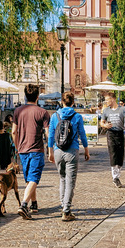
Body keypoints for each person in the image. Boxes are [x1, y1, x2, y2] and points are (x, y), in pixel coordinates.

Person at [48, 92, 90, 221]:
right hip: (72, 150)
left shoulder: (55, 116)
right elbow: (82, 135)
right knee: (70, 181)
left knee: (62, 179)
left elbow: (50, 135)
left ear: (62, 102)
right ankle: (66, 210)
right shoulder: (77, 116)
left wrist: (50, 152)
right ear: (73, 102)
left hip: (58, 150)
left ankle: (63, 205)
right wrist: (86, 150)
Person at [13, 83, 51, 219]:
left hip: (22, 149)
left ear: (25, 95)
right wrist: (50, 149)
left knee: (29, 178)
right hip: (36, 149)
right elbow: (47, 133)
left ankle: (34, 204)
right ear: (38, 96)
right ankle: (24, 205)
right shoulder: (42, 112)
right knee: (34, 178)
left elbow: (13, 131)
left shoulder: (18, 111)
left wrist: (17, 146)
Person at [100, 92, 125, 188]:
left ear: (113, 99)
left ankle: (117, 174)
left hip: (120, 133)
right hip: (111, 134)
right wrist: (105, 125)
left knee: (120, 155)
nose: (106, 102)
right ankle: (115, 177)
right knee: (113, 154)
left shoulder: (122, 109)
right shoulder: (106, 110)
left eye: (107, 100)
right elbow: (101, 122)